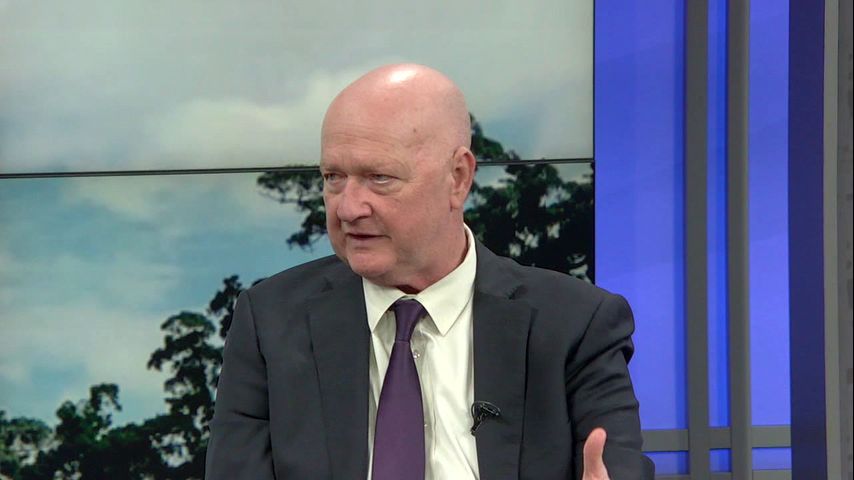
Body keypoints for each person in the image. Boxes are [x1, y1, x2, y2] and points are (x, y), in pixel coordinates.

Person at [205, 64, 653, 479]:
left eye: (379, 177)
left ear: (458, 177)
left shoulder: (575, 325)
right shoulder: (270, 322)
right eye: (333, 177)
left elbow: (615, 468)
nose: (348, 207)